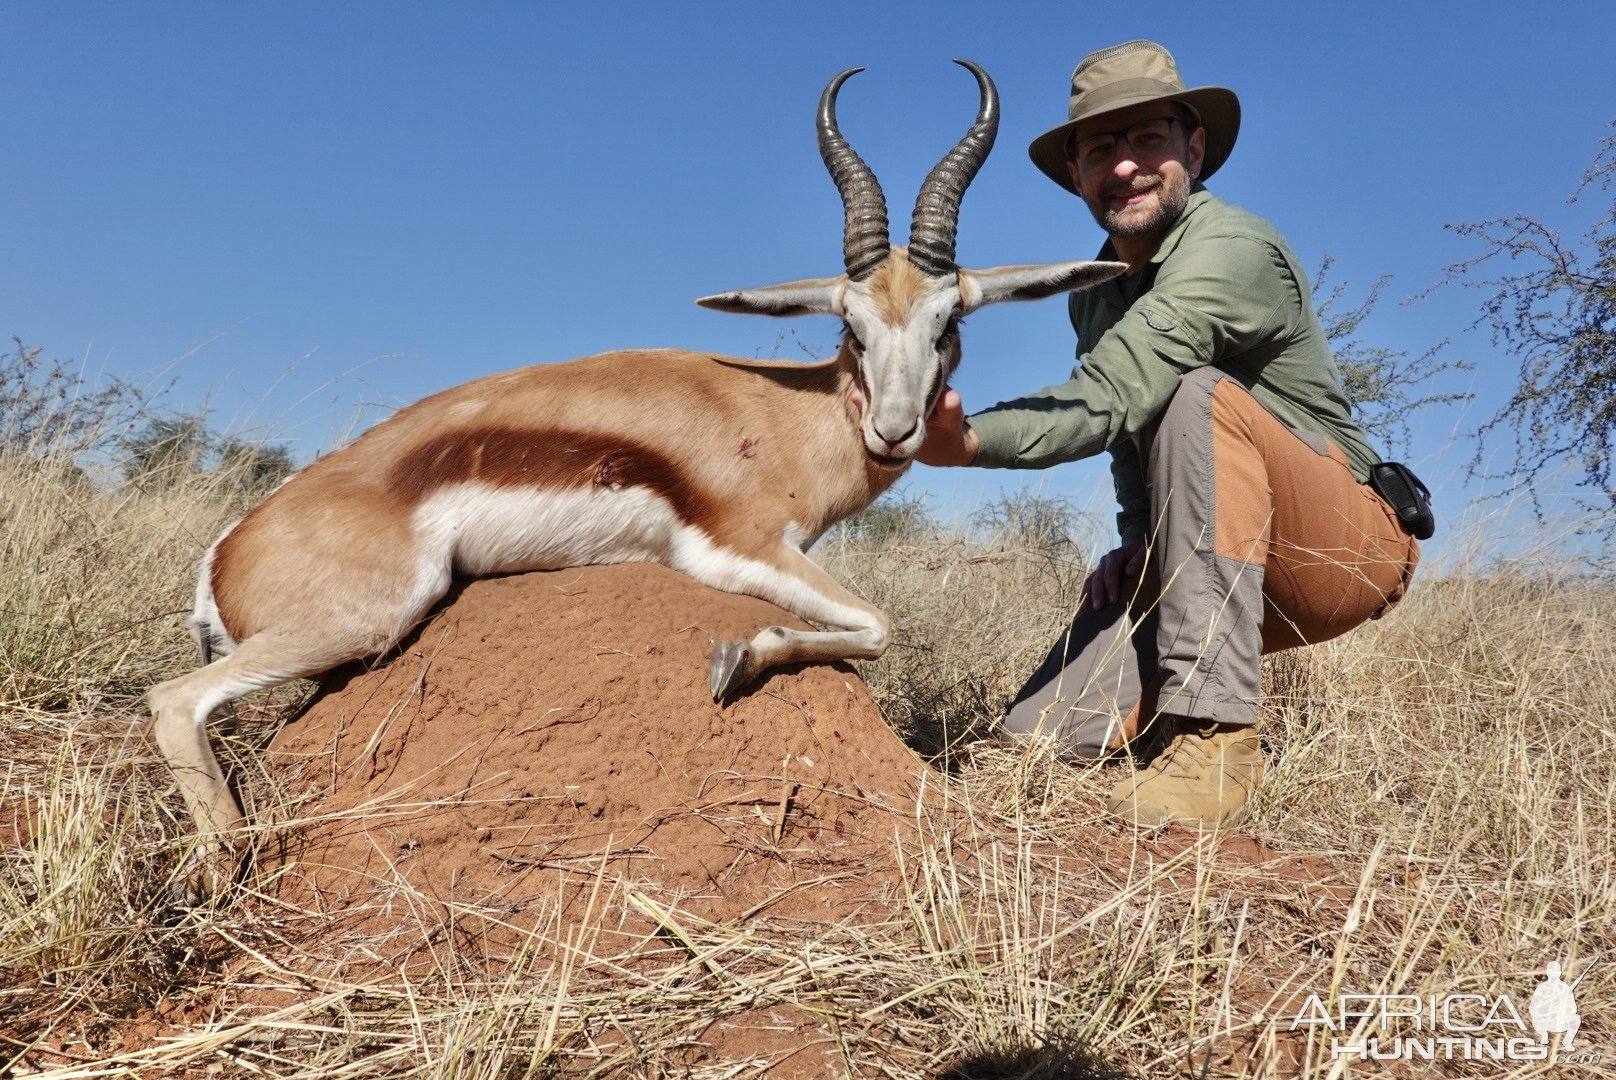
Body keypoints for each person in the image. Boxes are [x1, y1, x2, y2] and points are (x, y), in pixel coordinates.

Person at [920, 40, 1422, 829]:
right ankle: (1139, 724)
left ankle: (1214, 741)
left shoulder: (1232, 248)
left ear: (1193, 149)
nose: (1124, 166)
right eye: (1099, 148)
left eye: (1148, 139)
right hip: (1219, 556)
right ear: (1076, 176)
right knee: (1024, 750)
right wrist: (1135, 542)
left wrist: (968, 441)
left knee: (1194, 394)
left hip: (1344, 551)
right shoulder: (1094, 294)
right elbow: (1129, 448)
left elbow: (1118, 391)